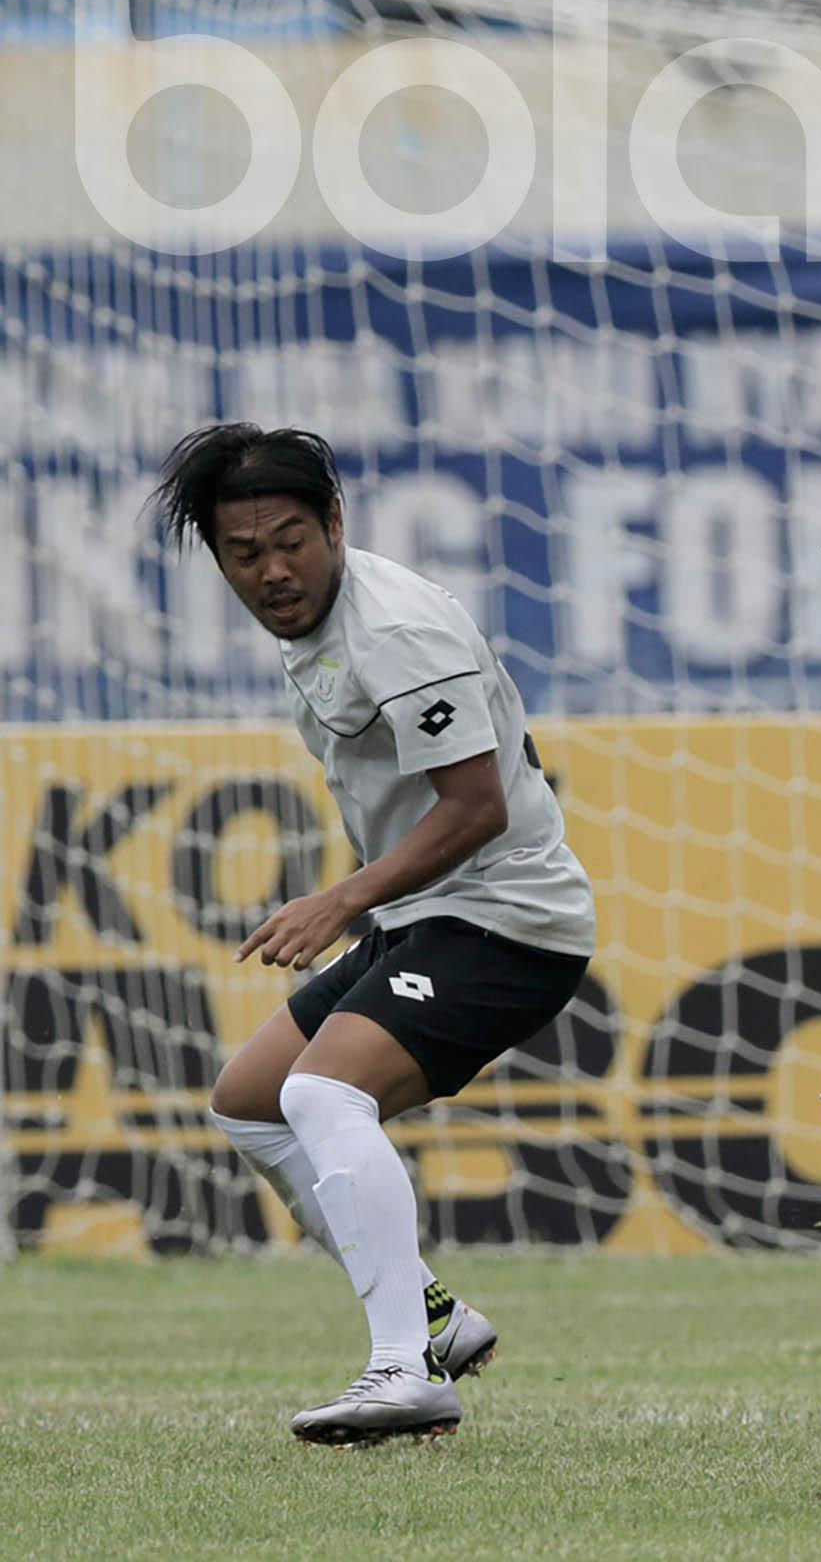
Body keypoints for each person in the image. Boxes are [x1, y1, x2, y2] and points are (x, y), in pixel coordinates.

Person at [159, 423, 597, 1445]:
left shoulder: (393, 628)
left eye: (291, 542)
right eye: (245, 553)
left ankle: (403, 1368)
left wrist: (339, 900)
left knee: (322, 1093)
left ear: (336, 522)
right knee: (251, 1102)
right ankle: (435, 1317)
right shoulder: (320, 623)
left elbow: (477, 806)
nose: (273, 571)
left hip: (508, 920)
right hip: (430, 915)